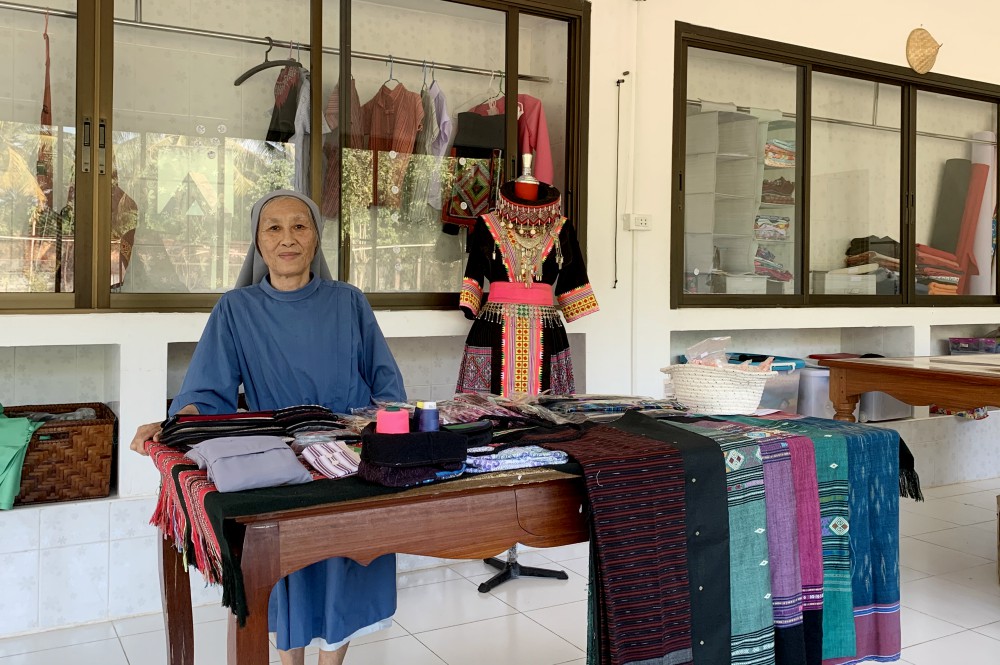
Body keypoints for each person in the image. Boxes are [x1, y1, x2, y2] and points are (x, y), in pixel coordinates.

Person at [129, 189, 406, 665]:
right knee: (286, 574)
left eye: (300, 226)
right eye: (273, 228)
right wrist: (173, 426)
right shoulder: (235, 310)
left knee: (344, 566)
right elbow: (207, 393)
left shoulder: (349, 302)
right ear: (257, 243)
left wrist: (391, 434)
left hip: (347, 461)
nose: (287, 239)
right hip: (280, 465)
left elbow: (386, 384)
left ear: (317, 238)